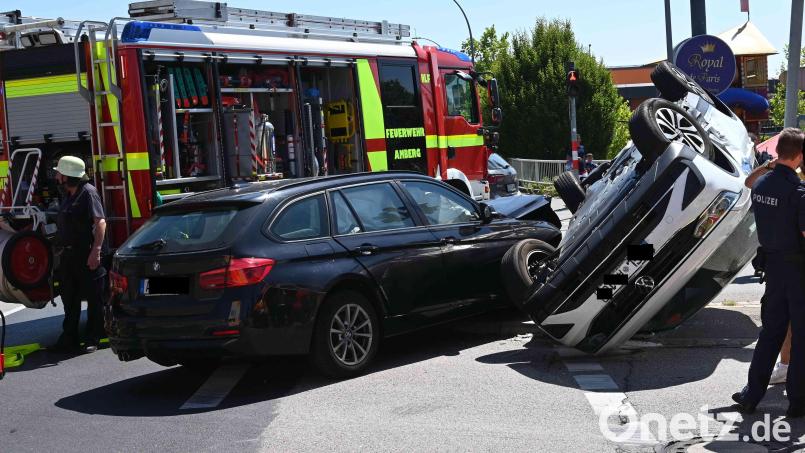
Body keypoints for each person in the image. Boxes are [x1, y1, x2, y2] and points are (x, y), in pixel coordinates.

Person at [732, 128, 805, 418]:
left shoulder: (762, 185)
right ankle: (798, 403)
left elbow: (749, 182)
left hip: (772, 270)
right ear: (799, 156)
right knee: (799, 337)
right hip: (798, 272)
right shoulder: (798, 192)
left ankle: (752, 395)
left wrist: (771, 163)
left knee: (771, 333)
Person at [50, 156, 107, 353]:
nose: (56, 177)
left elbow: (100, 222)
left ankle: (93, 337)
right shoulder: (68, 195)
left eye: (59, 173)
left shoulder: (88, 193)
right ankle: (69, 338)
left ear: (68, 176)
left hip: (86, 254)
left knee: (94, 298)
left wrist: (96, 251)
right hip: (68, 257)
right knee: (70, 298)